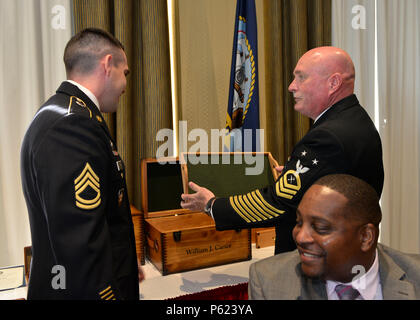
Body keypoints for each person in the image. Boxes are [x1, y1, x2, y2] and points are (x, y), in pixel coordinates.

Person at [181, 46, 384, 254]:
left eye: (301, 77)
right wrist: (302, 178)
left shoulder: (328, 136)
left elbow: (277, 204)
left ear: (333, 83)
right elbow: (336, 188)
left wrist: (211, 205)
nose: (291, 86)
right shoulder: (356, 119)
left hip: (322, 266)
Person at [20, 28, 142, 299]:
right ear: (108, 64)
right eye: (126, 73)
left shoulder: (61, 112)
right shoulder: (74, 125)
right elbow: (80, 248)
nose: (125, 85)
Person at [249, 174, 420, 300]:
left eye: (321, 228)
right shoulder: (269, 281)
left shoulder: (415, 278)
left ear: (366, 237)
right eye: (299, 222)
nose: (300, 237)